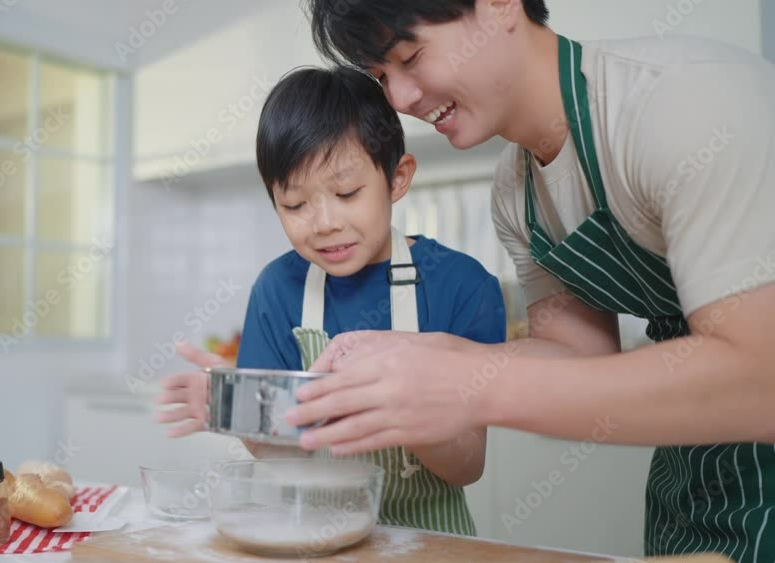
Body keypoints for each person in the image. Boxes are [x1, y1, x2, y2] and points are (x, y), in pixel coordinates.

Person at [288, 0, 775, 560]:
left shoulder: (679, 104)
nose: (398, 100)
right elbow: (582, 362)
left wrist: (469, 387)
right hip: (695, 483)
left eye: (411, 57)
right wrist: (432, 357)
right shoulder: (516, 193)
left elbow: (761, 380)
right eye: (380, 77)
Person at [156, 66, 507, 534]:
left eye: (346, 193)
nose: (323, 223)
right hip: (311, 538)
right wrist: (237, 416)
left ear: (397, 178)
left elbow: (468, 465)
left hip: (430, 544)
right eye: (295, 205)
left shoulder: (462, 286)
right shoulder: (277, 290)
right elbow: (284, 454)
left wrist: (404, 409)